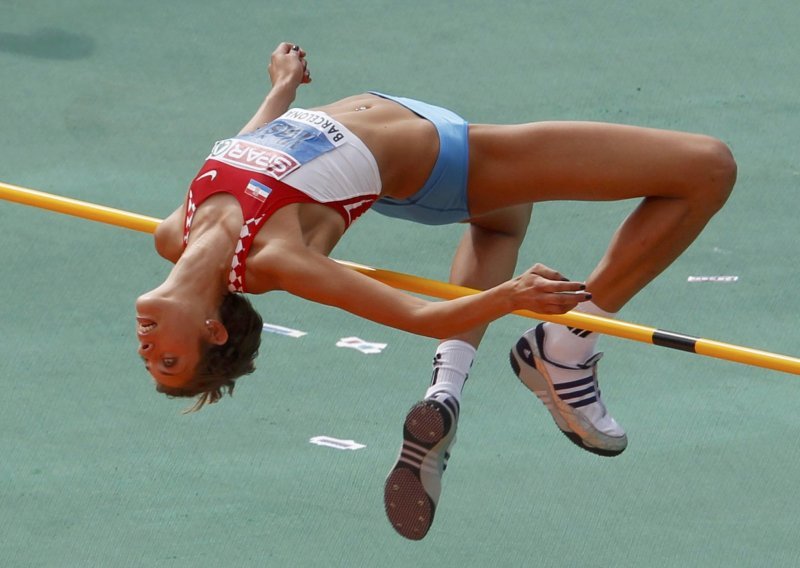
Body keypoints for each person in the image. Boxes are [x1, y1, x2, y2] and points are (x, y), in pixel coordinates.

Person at [135, 42, 737, 540]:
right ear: (213, 329)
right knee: (707, 167)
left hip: (404, 127)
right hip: (445, 160)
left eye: (152, 361)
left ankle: (448, 388)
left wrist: (283, 89)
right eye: (169, 361)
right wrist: (511, 295)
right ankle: (566, 345)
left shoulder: (176, 233)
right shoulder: (272, 260)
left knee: (504, 218)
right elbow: (416, 313)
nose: (146, 349)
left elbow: (244, 148)